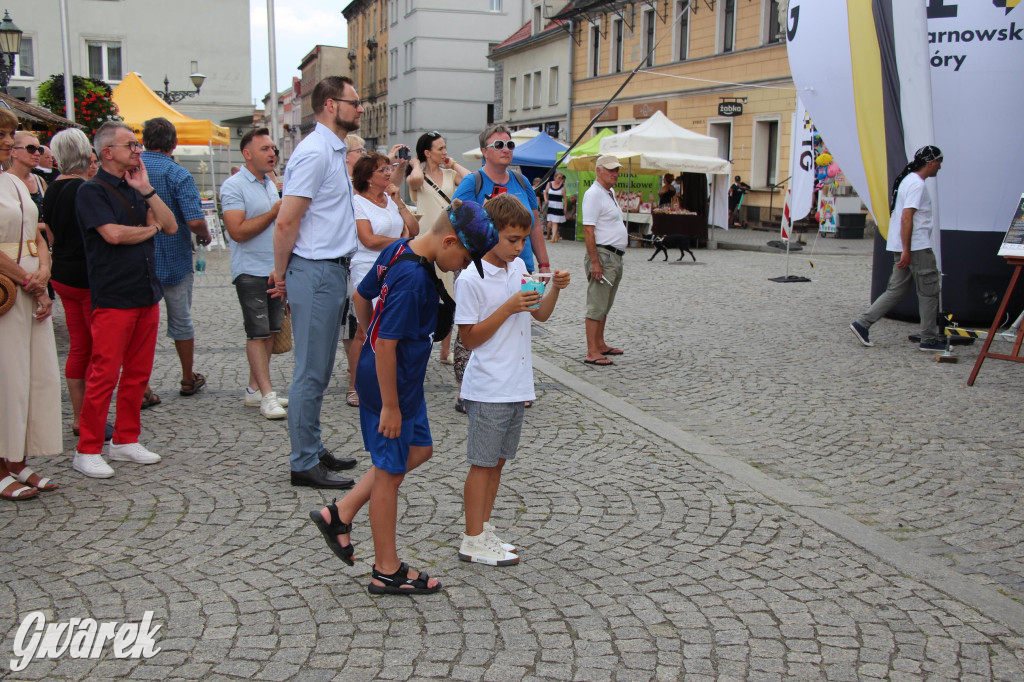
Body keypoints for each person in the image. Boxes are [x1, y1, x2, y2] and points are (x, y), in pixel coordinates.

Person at [308, 198, 498, 595]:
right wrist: (390, 404)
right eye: (465, 258)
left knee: (420, 450)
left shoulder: (399, 247)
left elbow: (362, 295)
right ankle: (386, 569)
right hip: (388, 385)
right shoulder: (412, 280)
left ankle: (340, 513)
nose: (464, 267)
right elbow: (388, 344)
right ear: (448, 242)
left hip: (405, 381)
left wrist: (366, 332)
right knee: (390, 475)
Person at [455, 194, 570, 565]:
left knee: (499, 462)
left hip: (516, 383)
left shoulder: (519, 265)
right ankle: (472, 538)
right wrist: (507, 308)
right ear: (490, 234)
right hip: (488, 384)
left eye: (523, 239)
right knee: (482, 463)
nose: (520, 247)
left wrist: (555, 288)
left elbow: (541, 316)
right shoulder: (472, 277)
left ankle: (483, 528)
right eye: (512, 239)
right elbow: (468, 338)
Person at [270, 76, 363, 488]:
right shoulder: (314, 153)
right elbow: (288, 219)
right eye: (354, 102)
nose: (360, 109)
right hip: (316, 268)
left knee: (321, 368)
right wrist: (280, 271)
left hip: (329, 269)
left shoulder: (330, 149)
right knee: (310, 372)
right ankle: (303, 461)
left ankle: (312, 446)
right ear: (329, 105)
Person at [72, 121, 178, 478]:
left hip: (145, 293)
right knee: (104, 373)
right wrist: (150, 230)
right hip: (114, 295)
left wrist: (147, 189)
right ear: (107, 152)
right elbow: (113, 235)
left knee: (137, 373)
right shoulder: (91, 191)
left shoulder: (136, 187)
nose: (137, 150)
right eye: (130, 145)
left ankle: (125, 439)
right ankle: (87, 448)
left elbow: (172, 225)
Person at [0, 109, 61, 501]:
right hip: (7, 289)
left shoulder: (16, 182)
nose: (9, 140)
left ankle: (17, 458)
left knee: (34, 374)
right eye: (3, 134)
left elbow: (37, 233)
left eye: (9, 134)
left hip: (28, 282)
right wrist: (29, 281)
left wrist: (43, 272)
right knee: (7, 377)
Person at [42, 128, 114, 443]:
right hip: (87, 277)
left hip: (63, 274)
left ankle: (77, 415)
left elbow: (52, 234)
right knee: (100, 351)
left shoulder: (51, 189)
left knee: (79, 347)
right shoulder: (85, 190)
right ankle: (91, 418)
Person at [219, 127, 289, 419]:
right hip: (249, 271)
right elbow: (237, 232)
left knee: (271, 332)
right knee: (257, 333)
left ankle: (254, 390)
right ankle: (267, 394)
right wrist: (274, 212)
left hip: (274, 269)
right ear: (247, 154)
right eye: (265, 149)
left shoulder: (268, 183)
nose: (272, 153)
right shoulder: (233, 186)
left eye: (273, 148)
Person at [141, 117, 212, 398]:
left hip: (139, 257)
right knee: (181, 319)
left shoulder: (132, 169)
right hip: (174, 258)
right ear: (173, 144)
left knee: (140, 324)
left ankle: (142, 385)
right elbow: (194, 221)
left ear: (145, 141)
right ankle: (186, 378)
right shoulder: (178, 174)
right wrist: (205, 235)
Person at [851, 146, 945, 351]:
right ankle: (928, 339)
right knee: (929, 291)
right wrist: (907, 250)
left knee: (896, 291)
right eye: (939, 162)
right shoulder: (917, 185)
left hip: (906, 246)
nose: (940, 167)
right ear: (931, 163)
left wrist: (903, 249)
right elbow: (906, 218)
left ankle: (862, 323)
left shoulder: (907, 180)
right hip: (916, 247)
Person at [346, 152, 419, 408]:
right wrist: (404, 242)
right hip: (366, 265)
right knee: (365, 329)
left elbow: (414, 229)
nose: (389, 173)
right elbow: (368, 239)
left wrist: (399, 202)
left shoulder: (389, 199)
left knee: (390, 324)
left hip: (393, 264)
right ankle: (355, 384)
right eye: (382, 170)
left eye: (389, 168)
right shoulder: (357, 202)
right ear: (367, 177)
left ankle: (385, 380)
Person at [453, 124, 552, 277]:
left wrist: (544, 264)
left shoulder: (522, 181)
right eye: (499, 145)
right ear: (484, 151)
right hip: (486, 271)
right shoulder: (472, 182)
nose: (506, 150)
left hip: (523, 269)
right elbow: (456, 226)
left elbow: (535, 226)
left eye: (510, 145)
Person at [407, 130, 470, 365]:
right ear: (427, 152)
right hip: (426, 243)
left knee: (452, 296)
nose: (445, 152)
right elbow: (413, 181)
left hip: (450, 241)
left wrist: (452, 163)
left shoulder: (450, 173)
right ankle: (419, 343)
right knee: (426, 294)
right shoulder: (418, 176)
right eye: (440, 148)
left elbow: (470, 178)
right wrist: (415, 162)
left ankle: (445, 351)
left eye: (445, 147)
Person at [582, 155, 629, 366]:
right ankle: (592, 351)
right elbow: (588, 230)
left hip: (613, 256)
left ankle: (600, 344)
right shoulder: (593, 194)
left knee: (604, 304)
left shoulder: (608, 193)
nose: (615, 173)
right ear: (598, 170)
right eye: (610, 170)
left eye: (616, 170)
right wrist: (595, 262)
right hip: (603, 255)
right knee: (596, 303)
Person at [10, 132, 49, 242]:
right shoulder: (6, 181)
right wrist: (45, 226)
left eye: (39, 149)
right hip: (19, 247)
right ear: (14, 152)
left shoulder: (39, 181)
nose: (37, 153)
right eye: (31, 149)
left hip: (44, 246)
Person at [544, 172, 566, 243]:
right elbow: (545, 192)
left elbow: (564, 198)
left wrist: (565, 207)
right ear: (555, 177)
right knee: (550, 222)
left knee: (555, 222)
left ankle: (553, 237)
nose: (560, 179)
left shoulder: (563, 186)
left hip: (558, 205)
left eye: (561, 178)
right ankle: (554, 235)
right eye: (559, 177)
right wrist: (546, 199)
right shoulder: (549, 184)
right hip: (551, 205)